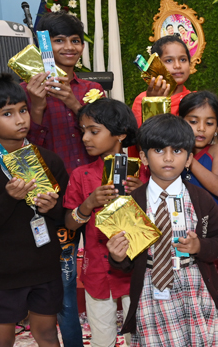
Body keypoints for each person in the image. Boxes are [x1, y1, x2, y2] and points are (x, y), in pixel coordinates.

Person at [107, 114, 218, 346]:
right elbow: (127, 262)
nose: (168, 158)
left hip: (195, 287)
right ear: (143, 157)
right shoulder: (132, 204)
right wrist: (117, 256)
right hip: (151, 290)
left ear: (188, 159)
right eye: (158, 151)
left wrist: (199, 246)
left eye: (177, 151)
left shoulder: (201, 199)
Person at [0, 74, 67, 347]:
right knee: (1, 338)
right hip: (2, 271)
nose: (21, 119)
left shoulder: (49, 160)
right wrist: (7, 198)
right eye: (8, 113)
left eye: (23, 110)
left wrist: (53, 207)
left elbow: (65, 215)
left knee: (46, 333)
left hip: (44, 266)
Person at [23, 11, 103, 347]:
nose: (68, 47)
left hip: (96, 195)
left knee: (109, 270)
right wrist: (37, 107)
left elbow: (108, 135)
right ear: (44, 45)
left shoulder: (92, 89)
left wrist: (73, 101)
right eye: (59, 40)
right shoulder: (28, 91)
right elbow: (27, 150)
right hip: (54, 201)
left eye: (75, 40)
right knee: (65, 283)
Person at [63, 98, 144, 347]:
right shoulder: (81, 175)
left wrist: (142, 193)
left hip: (137, 269)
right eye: (83, 131)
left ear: (120, 134)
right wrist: (88, 204)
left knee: (140, 336)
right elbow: (70, 224)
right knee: (101, 337)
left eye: (94, 131)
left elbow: (158, 220)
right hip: (97, 268)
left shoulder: (142, 173)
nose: (86, 138)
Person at [178, 91, 218, 220]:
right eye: (193, 121)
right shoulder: (172, 152)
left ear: (217, 128)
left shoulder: (217, 150)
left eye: (209, 123)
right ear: (180, 121)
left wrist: (190, 160)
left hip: (212, 223)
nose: (201, 128)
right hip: (181, 221)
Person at [131, 35, 192, 126]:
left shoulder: (195, 101)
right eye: (169, 61)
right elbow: (144, 137)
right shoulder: (142, 100)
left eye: (183, 59)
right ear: (156, 64)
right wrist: (154, 103)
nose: (178, 65)